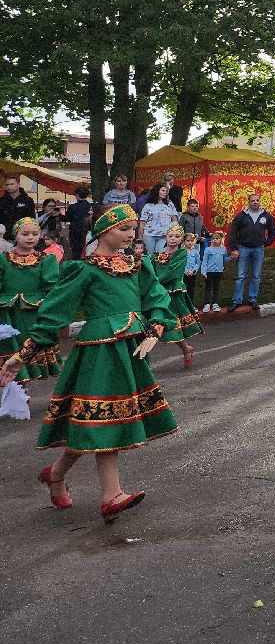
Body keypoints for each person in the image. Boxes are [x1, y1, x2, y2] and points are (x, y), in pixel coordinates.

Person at [0, 204, 178, 521]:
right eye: (123, 229)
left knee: (94, 424)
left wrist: (156, 326)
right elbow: (54, 312)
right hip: (98, 354)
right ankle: (111, 495)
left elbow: (157, 299)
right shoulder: (85, 270)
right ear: (104, 231)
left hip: (130, 353)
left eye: (132, 229)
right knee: (105, 419)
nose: (129, 235)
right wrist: (20, 356)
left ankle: (55, 473)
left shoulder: (137, 266)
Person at [0, 216, 60, 383]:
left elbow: (51, 288)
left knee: (26, 351)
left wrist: (50, 313)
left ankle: (22, 399)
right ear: (15, 235)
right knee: (10, 351)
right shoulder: (4, 259)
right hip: (7, 315)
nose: (30, 237)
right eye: (25, 233)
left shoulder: (46, 259)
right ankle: (16, 398)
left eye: (35, 233)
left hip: (33, 315)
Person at [151, 223, 200, 369]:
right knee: (153, 324)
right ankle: (185, 349)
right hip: (158, 292)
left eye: (177, 236)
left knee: (172, 326)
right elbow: (151, 271)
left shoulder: (182, 254)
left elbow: (173, 273)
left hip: (173, 293)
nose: (173, 239)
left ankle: (185, 349)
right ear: (166, 237)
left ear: (181, 240)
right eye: (170, 236)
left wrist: (155, 282)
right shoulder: (157, 255)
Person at [226, 193, 275, 311]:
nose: (255, 202)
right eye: (252, 200)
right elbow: (233, 232)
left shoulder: (266, 216)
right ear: (248, 202)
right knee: (240, 276)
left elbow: (273, 230)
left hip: (259, 249)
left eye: (257, 200)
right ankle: (237, 300)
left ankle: (252, 299)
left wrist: (267, 243)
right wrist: (234, 248)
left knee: (256, 276)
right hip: (243, 248)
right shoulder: (242, 216)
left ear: (260, 202)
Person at [200, 231, 227, 312]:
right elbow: (204, 261)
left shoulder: (223, 249)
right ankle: (207, 304)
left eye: (217, 238)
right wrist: (204, 272)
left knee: (216, 287)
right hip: (209, 272)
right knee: (208, 288)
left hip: (219, 271)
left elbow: (224, 259)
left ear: (221, 239)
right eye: (213, 238)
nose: (215, 240)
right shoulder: (208, 249)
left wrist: (232, 257)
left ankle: (215, 303)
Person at [65, 185, 94, 260]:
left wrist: (58, 215)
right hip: (86, 231)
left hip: (75, 232)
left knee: (75, 252)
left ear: (77, 195)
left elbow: (67, 218)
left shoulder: (73, 207)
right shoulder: (90, 206)